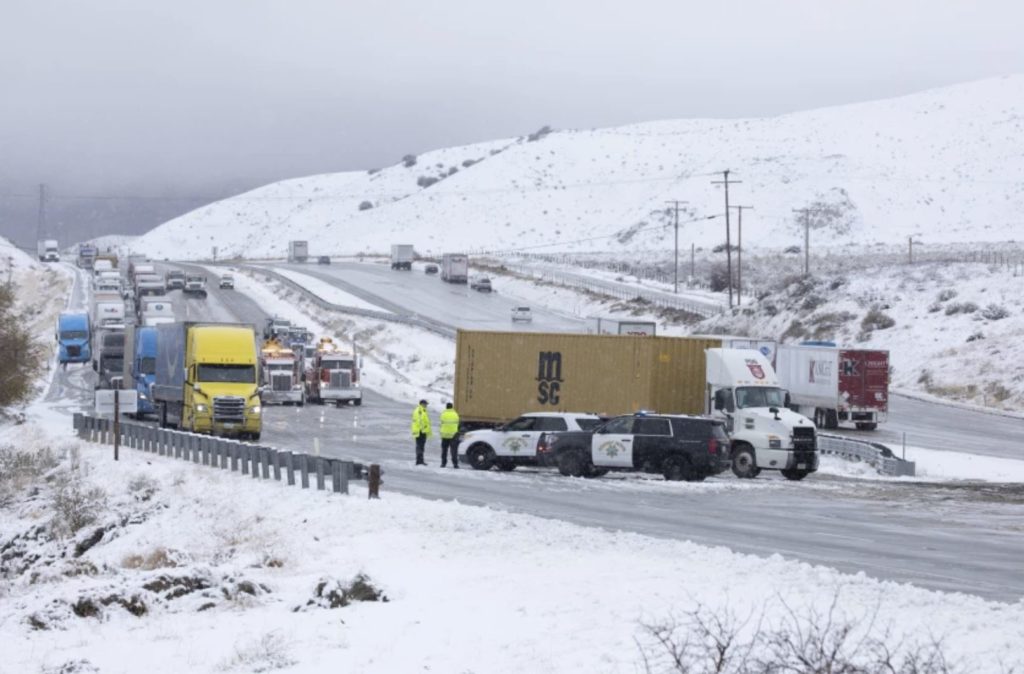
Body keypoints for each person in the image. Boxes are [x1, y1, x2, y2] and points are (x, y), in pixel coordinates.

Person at [439, 402, 460, 468]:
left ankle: (443, 463)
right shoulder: (455, 414)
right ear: (452, 407)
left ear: (446, 407)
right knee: (454, 451)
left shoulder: (443, 414)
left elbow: (441, 422)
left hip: (444, 435)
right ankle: (455, 464)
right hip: (453, 435)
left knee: (444, 450)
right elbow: (458, 423)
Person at [411, 399, 432, 465]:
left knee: (420, 446)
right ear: (422, 404)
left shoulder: (422, 410)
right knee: (420, 446)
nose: (426, 405)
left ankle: (420, 460)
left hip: (421, 431)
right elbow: (420, 421)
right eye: (425, 404)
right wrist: (424, 428)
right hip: (420, 431)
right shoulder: (420, 410)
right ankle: (419, 461)